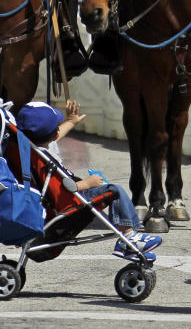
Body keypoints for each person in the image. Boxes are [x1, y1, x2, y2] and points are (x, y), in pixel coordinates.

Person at [16, 100, 163, 261]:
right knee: (115, 191)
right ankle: (128, 237)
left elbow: (56, 135)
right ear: (53, 134)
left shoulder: (31, 148)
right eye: (57, 127)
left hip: (69, 192)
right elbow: (57, 190)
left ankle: (129, 238)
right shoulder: (42, 160)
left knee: (110, 189)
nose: (59, 130)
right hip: (71, 198)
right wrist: (87, 184)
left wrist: (71, 121)